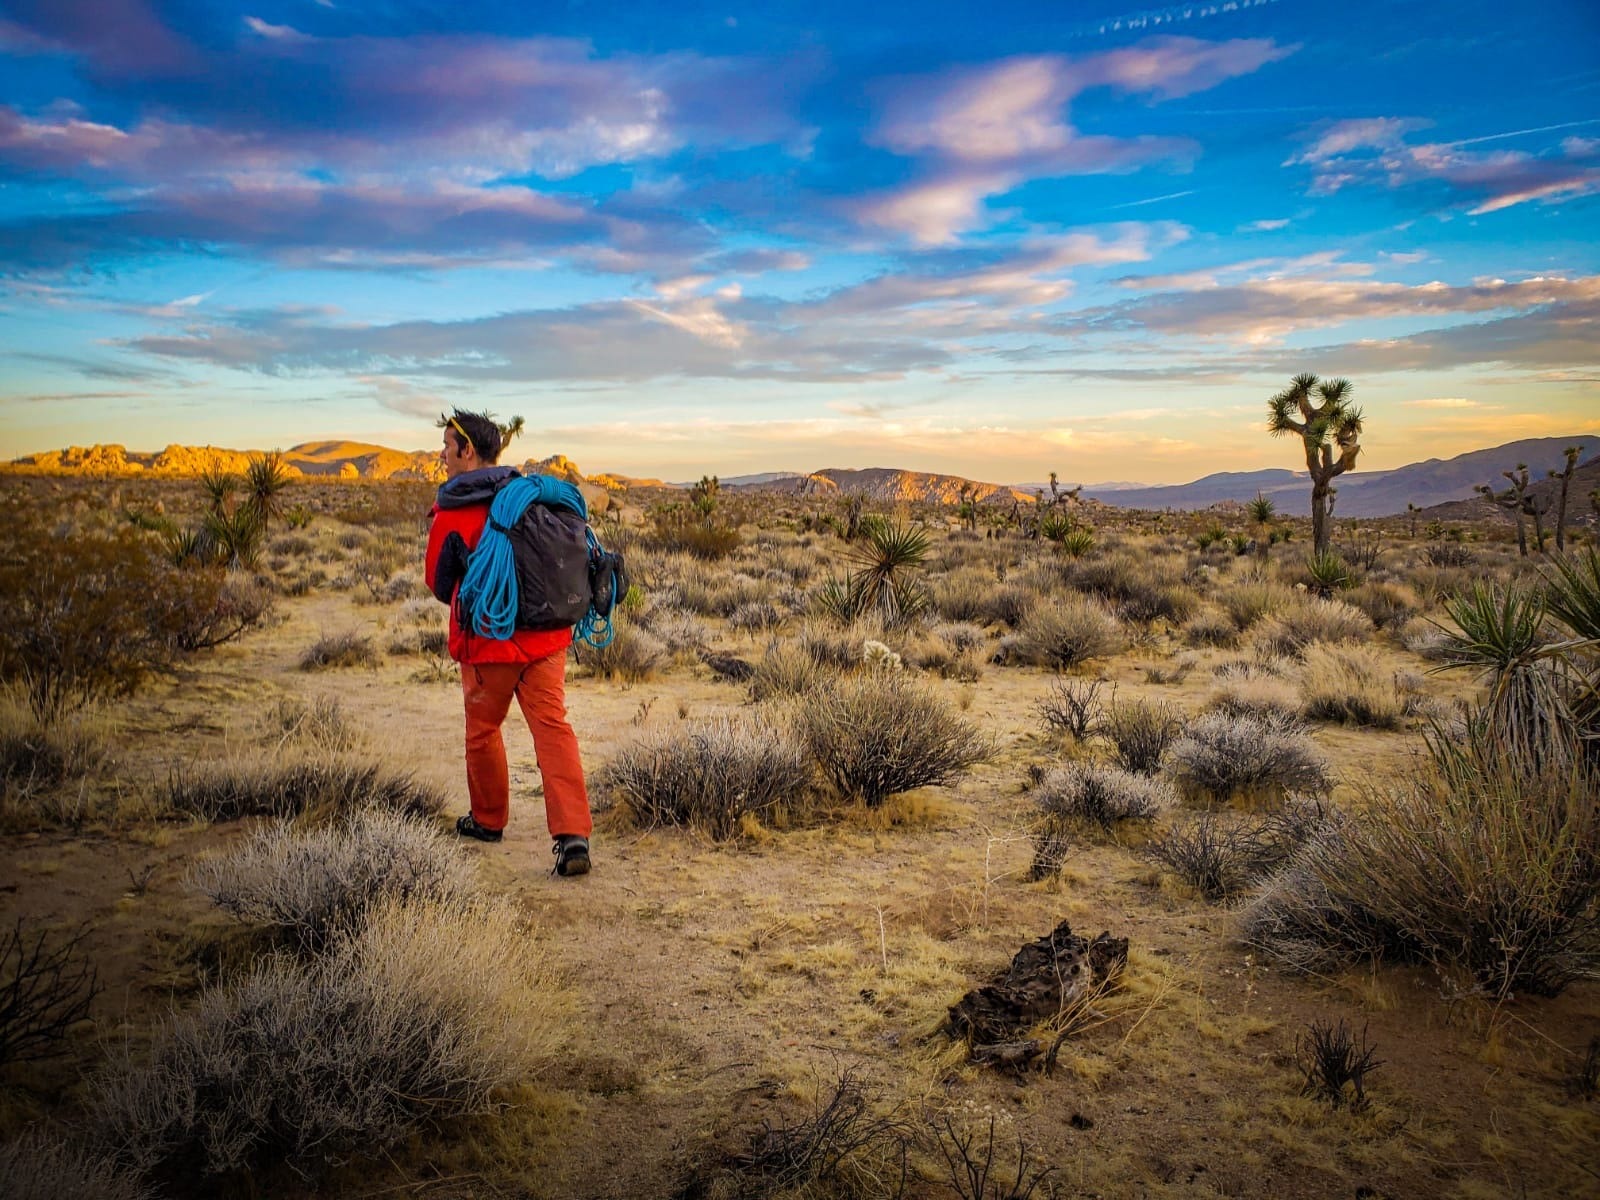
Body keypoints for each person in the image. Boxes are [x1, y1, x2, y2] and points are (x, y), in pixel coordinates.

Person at [423, 408, 592, 876]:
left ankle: (488, 820)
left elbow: (438, 582)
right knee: (553, 727)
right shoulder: (528, 499)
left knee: (482, 731)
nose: (441, 454)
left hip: (489, 646)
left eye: (446, 446)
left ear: (467, 450)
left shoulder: (457, 511)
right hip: (548, 639)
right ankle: (573, 836)